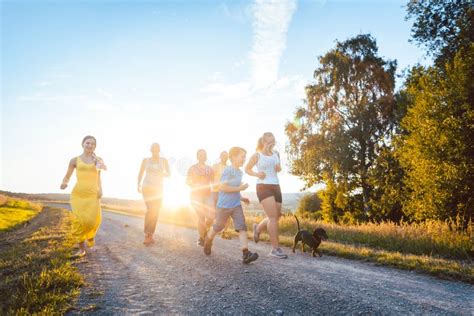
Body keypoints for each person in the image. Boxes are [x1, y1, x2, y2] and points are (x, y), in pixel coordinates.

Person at [203, 147, 258, 264]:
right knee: (218, 227)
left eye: (245, 157)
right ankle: (208, 239)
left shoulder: (239, 172)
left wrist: (242, 197)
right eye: (242, 157)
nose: (244, 159)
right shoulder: (228, 170)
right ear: (233, 157)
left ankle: (245, 253)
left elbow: (235, 190)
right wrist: (240, 188)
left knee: (242, 227)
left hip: (236, 205)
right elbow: (222, 187)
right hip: (224, 205)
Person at [60, 135, 106, 257]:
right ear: (83, 144)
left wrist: (100, 189)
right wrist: (64, 182)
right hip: (78, 194)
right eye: (88, 143)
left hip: (92, 194)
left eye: (93, 144)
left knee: (93, 220)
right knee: (80, 221)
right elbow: (67, 176)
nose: (90, 145)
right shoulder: (74, 160)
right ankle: (81, 249)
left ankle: (90, 235)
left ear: (95, 146)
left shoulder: (98, 160)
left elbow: (99, 177)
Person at [245, 132, 287, 259]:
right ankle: (275, 249)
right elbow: (247, 169)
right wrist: (257, 175)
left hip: (276, 186)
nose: (271, 144)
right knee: (273, 217)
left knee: (276, 216)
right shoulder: (257, 155)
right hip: (263, 186)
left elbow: (278, 169)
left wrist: (278, 167)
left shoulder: (276, 154)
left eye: (273, 142)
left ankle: (258, 228)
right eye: (269, 142)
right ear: (263, 142)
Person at [137, 143, 170, 245]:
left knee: (155, 211)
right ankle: (147, 234)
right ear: (150, 150)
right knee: (151, 209)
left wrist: (163, 174)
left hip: (158, 189)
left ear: (159, 150)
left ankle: (150, 234)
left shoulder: (164, 160)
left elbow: (168, 174)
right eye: (153, 148)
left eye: (157, 148)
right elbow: (141, 173)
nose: (155, 150)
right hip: (147, 188)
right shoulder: (145, 160)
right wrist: (138, 184)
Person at [186, 149, 214, 246]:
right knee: (201, 217)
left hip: (208, 194)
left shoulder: (210, 169)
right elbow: (187, 181)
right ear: (197, 157)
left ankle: (204, 231)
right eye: (201, 155)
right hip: (196, 195)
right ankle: (202, 238)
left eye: (204, 154)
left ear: (206, 156)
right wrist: (194, 182)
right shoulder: (192, 168)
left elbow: (213, 182)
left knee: (211, 217)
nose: (203, 156)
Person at [211, 151, 232, 239]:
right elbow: (211, 178)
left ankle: (225, 232)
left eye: (226, 156)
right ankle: (210, 230)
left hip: (226, 193)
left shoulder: (230, 168)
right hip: (216, 192)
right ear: (220, 156)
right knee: (215, 213)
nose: (225, 157)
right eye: (223, 155)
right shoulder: (215, 166)